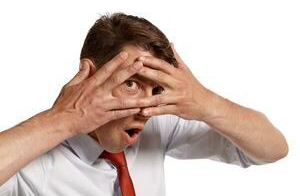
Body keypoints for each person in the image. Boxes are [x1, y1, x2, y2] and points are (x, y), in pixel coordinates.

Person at [0, 13, 288, 196]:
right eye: (131, 83)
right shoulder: (30, 163)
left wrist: (205, 102)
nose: (144, 106)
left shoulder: (155, 123)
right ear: (89, 75)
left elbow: (272, 149)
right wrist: (64, 119)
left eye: (157, 88)